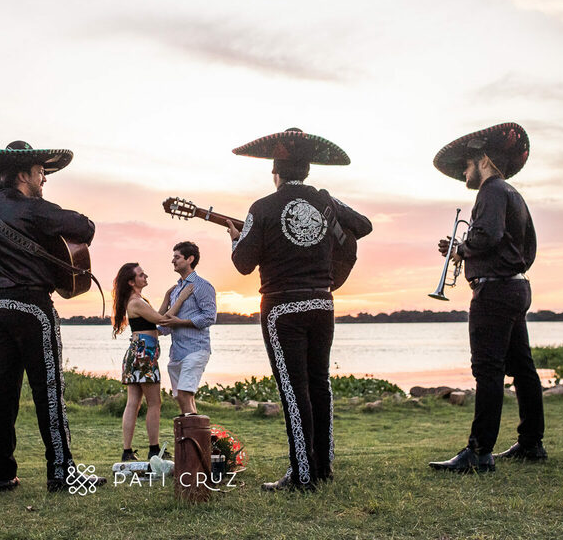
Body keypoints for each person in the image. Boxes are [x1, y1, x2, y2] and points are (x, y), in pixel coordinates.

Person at [226, 128, 372, 492]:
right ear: (307, 170)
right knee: (319, 384)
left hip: (282, 308)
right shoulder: (324, 201)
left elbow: (243, 264)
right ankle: (322, 467)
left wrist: (236, 240)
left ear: (274, 172)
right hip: (322, 303)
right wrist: (329, 211)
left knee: (294, 391)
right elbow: (364, 226)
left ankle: (302, 475)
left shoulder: (261, 208)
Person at [0, 140, 106, 493]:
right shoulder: (31, 208)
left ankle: (4, 473)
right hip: (32, 305)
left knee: (3, 391)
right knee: (49, 388)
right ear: (23, 175)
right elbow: (85, 227)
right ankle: (61, 472)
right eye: (40, 172)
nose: (44, 178)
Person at [428, 122, 545, 473]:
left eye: (467, 165)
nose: (465, 172)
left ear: (483, 160)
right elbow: (524, 247)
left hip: (493, 291)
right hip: (515, 286)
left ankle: (479, 452)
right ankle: (531, 443)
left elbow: (488, 235)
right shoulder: (513, 195)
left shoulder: (491, 191)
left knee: (488, 369)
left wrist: (462, 249)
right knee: (522, 367)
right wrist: (466, 249)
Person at [112, 262, 195, 462]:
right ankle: (154, 449)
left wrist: (166, 297)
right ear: (131, 282)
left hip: (137, 352)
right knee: (154, 403)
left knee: (133, 403)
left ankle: (127, 452)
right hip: (144, 354)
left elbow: (156, 319)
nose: (145, 276)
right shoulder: (136, 302)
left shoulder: (138, 301)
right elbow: (163, 320)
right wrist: (182, 297)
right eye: (141, 275)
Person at [156, 241, 217, 416]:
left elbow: (209, 317)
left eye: (177, 257)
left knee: (184, 393)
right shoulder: (176, 290)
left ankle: (192, 431)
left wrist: (180, 322)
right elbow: (169, 324)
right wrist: (150, 334)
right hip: (176, 353)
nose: (173, 261)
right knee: (183, 398)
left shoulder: (202, 285)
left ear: (190, 259)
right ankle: (193, 432)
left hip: (196, 349)